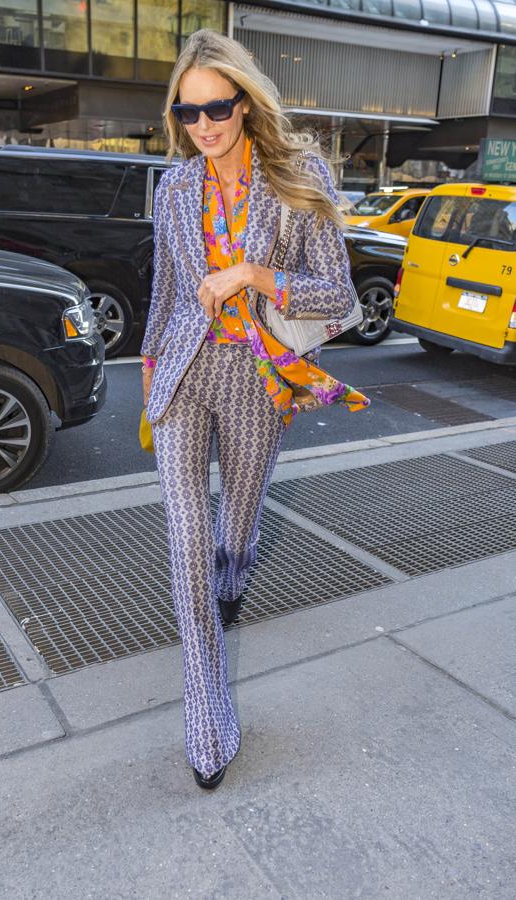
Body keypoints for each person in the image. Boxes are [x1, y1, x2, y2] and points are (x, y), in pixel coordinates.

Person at [141, 29, 370, 790]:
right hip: (182, 371)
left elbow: (337, 298)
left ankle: (234, 576)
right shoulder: (174, 187)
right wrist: (149, 375)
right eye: (187, 111)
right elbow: (165, 293)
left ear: (244, 102)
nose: (202, 126)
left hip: (254, 379)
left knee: (233, 529)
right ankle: (207, 712)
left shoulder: (298, 177)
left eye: (216, 108)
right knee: (184, 537)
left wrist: (252, 272)